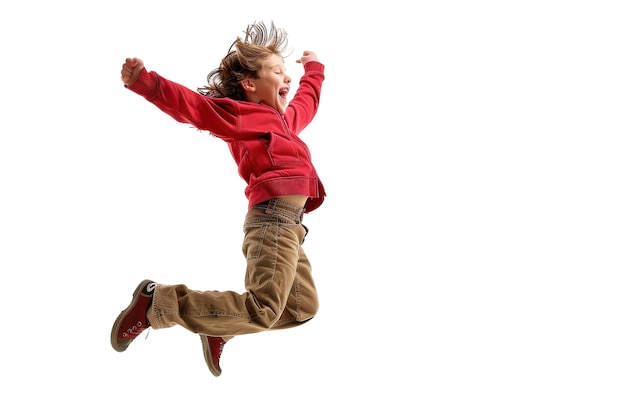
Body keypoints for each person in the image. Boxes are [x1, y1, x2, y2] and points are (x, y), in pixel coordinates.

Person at [110, 21, 326, 377]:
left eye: (287, 72)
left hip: (292, 227)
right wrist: (146, 83)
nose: (286, 78)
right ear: (251, 84)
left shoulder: (284, 123)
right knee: (263, 309)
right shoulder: (244, 117)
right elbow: (194, 107)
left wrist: (314, 70)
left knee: (300, 308)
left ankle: (219, 325)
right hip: (271, 218)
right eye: (277, 71)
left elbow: (307, 101)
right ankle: (158, 303)